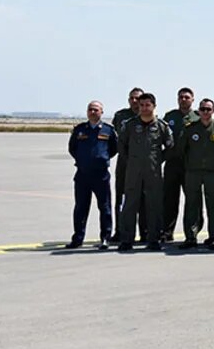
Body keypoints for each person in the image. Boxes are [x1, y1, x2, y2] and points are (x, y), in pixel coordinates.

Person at [117, 93, 174, 251]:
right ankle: (126, 239)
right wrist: (131, 161)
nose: (144, 108)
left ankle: (153, 239)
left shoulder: (161, 126)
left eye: (147, 105)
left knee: (154, 205)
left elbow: (170, 146)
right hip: (133, 172)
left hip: (153, 172)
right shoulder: (130, 125)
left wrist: (158, 159)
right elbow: (121, 145)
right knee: (130, 204)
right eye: (141, 105)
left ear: (154, 106)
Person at [176, 98, 214, 249]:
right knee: (191, 205)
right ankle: (190, 237)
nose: (205, 112)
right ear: (198, 111)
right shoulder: (190, 128)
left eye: (208, 109)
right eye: (203, 109)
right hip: (193, 172)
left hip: (213, 173)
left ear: (213, 111)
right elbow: (181, 150)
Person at [66, 100, 117, 249]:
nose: (93, 112)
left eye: (96, 110)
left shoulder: (108, 130)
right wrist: (83, 160)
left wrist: (101, 159)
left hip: (101, 175)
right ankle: (78, 238)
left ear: (102, 112)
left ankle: (105, 238)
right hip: (83, 174)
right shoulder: (80, 130)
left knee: (105, 207)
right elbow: (72, 148)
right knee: (80, 207)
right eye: (90, 109)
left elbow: (113, 149)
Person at [160, 87, 198, 242]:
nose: (183, 100)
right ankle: (167, 232)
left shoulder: (197, 117)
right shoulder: (170, 116)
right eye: (181, 97)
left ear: (192, 99)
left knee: (193, 200)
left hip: (190, 165)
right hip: (172, 164)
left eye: (186, 97)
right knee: (169, 199)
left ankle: (192, 232)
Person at [108, 87, 142, 242]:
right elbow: (114, 138)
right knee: (121, 198)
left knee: (143, 199)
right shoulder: (121, 116)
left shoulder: (147, 116)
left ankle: (145, 232)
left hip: (142, 163)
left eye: (137, 98)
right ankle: (120, 230)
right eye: (132, 98)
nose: (134, 101)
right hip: (124, 162)